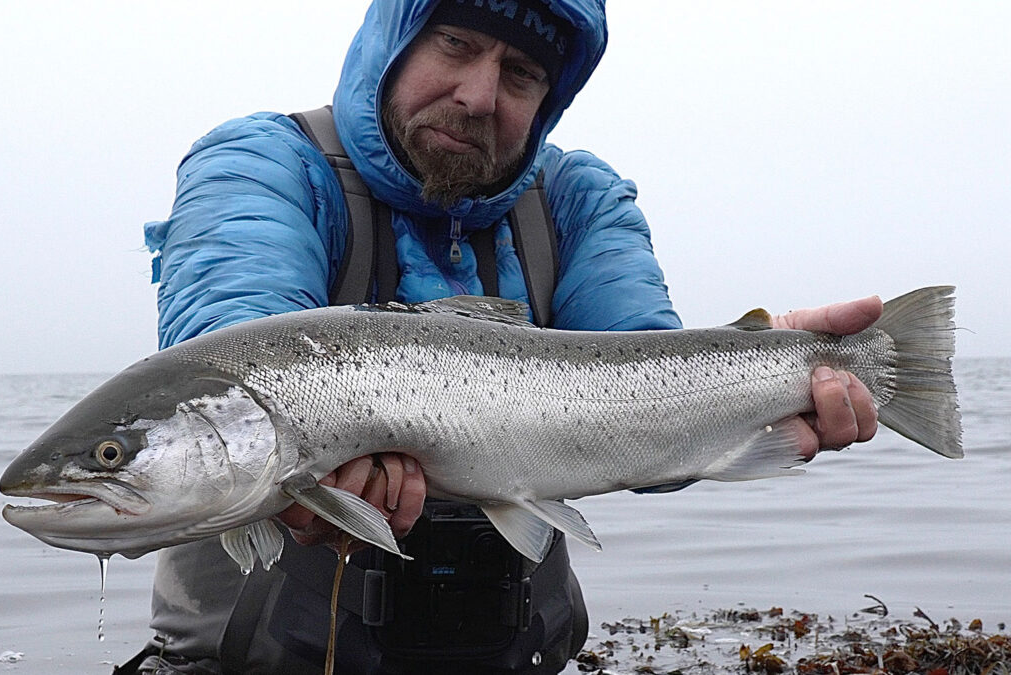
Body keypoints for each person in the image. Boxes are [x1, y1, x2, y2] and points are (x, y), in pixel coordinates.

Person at [124, 0, 882, 673]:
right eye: (455, 42)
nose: (480, 95)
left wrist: (771, 365)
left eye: (520, 74)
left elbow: (645, 401)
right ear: (395, 36)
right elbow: (233, 352)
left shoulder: (579, 200)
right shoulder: (264, 163)